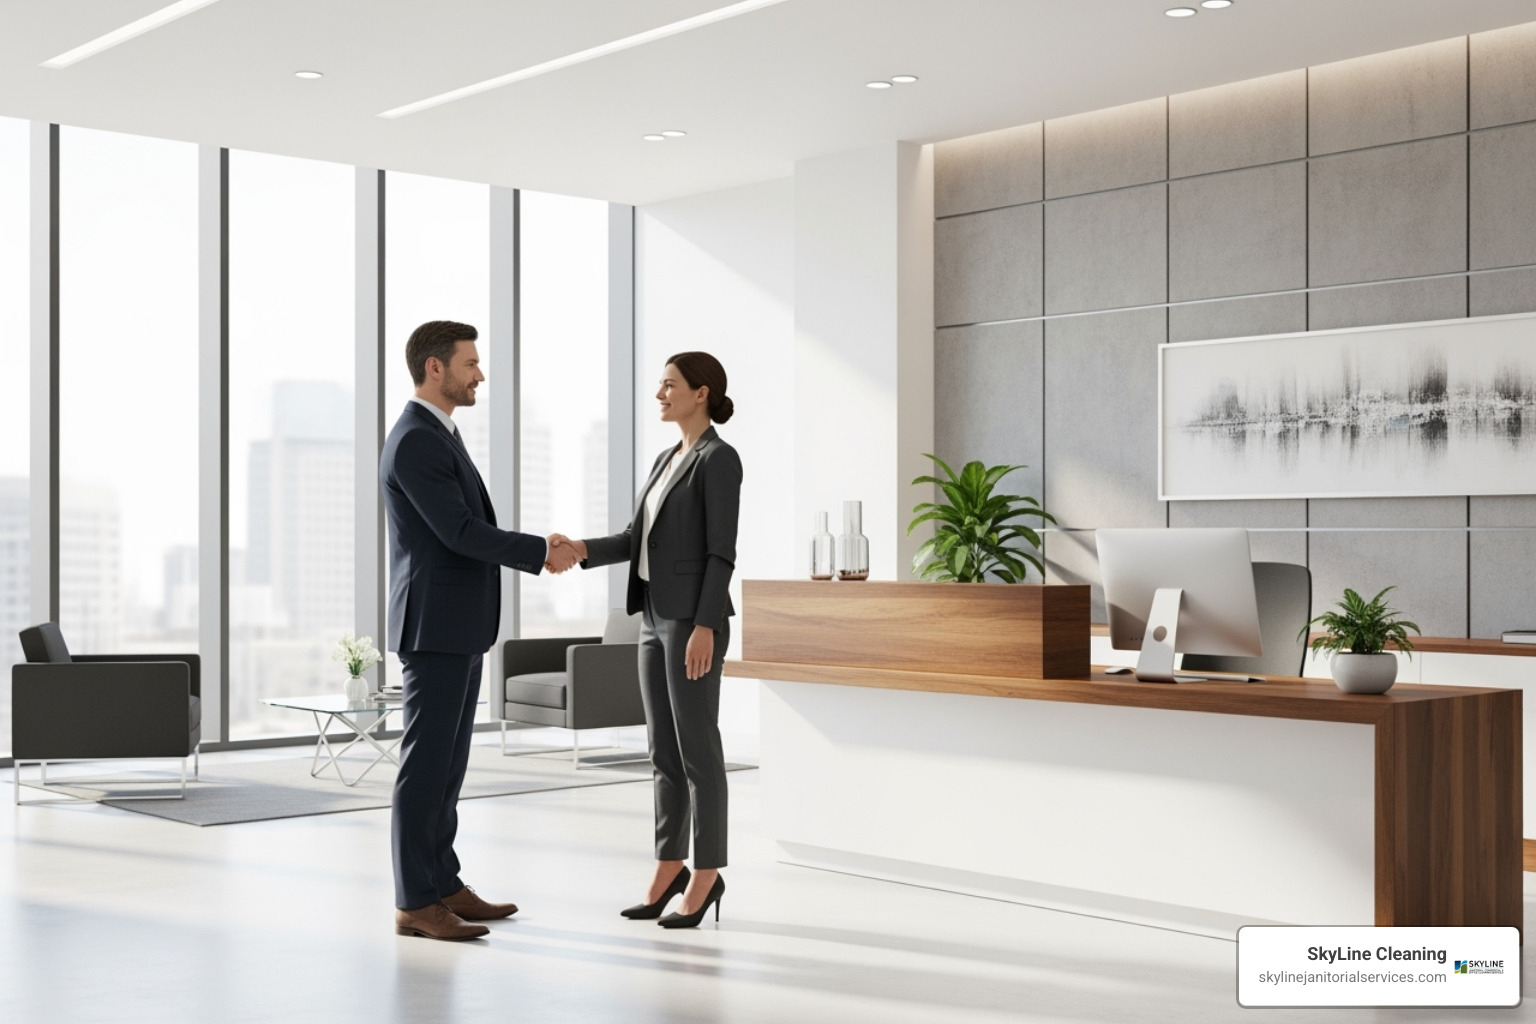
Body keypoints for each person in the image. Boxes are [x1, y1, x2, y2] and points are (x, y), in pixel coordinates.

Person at [380, 319, 579, 941]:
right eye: (470, 363)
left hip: (457, 626)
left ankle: (444, 884)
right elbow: (458, 531)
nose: (479, 375)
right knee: (426, 767)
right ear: (435, 368)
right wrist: (537, 550)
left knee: (448, 766)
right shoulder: (415, 439)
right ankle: (416, 901)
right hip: (434, 626)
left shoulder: (440, 434)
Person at [553, 351, 741, 929]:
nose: (660, 394)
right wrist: (581, 549)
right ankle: (669, 865)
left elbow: (720, 550)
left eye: (670, 385)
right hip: (652, 618)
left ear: (701, 392)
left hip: (691, 623)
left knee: (697, 751)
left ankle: (707, 874)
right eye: (660, 384)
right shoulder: (667, 458)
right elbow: (638, 538)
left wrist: (706, 624)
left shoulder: (719, 459)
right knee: (662, 751)